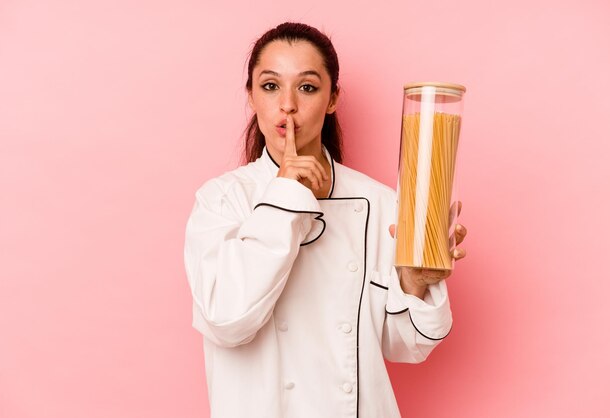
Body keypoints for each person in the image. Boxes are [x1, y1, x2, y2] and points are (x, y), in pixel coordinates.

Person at [184, 21, 468, 418]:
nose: (288, 105)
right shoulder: (222, 200)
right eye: (270, 86)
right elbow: (227, 320)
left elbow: (407, 346)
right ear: (251, 96)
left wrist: (414, 282)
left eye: (307, 87)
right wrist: (285, 195)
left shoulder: (380, 202)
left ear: (333, 98)